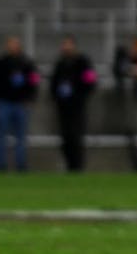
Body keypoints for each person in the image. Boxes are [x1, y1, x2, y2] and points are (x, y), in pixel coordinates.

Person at [50, 34, 98, 171]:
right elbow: (53, 83)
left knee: (76, 136)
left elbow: (90, 80)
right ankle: (69, 164)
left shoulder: (83, 62)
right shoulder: (60, 63)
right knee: (65, 137)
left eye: (68, 44)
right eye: (64, 44)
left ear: (73, 45)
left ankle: (78, 166)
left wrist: (80, 94)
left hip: (77, 106)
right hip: (63, 106)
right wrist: (57, 96)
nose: (66, 47)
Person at [0, 34, 40, 172]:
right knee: (0, 135)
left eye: (15, 44)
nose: (13, 47)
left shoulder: (27, 63)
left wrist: (31, 98)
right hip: (4, 103)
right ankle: (1, 165)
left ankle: (21, 165)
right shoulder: (0, 63)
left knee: (21, 136)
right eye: (10, 44)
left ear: (19, 46)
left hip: (21, 103)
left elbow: (34, 81)